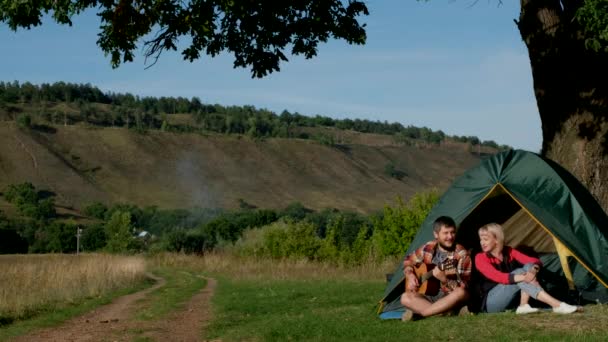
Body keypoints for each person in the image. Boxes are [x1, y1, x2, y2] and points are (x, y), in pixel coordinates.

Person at [475, 223, 580, 314]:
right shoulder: (480, 258)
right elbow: (499, 277)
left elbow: (534, 261)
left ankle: (523, 306)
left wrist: (532, 270)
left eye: (485, 239)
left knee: (528, 266)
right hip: (491, 302)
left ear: (497, 240)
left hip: (511, 299)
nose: (482, 243)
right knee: (520, 271)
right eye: (480, 240)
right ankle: (557, 305)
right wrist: (525, 277)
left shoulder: (509, 251)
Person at [400, 216, 471, 321]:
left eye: (452, 232)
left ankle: (422, 314)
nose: (450, 236)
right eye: (446, 233)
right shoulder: (428, 247)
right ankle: (444, 312)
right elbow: (408, 260)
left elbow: (464, 286)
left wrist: (445, 280)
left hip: (449, 295)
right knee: (405, 297)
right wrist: (410, 275)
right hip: (428, 296)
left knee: (461, 293)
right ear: (436, 234)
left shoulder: (462, 254)